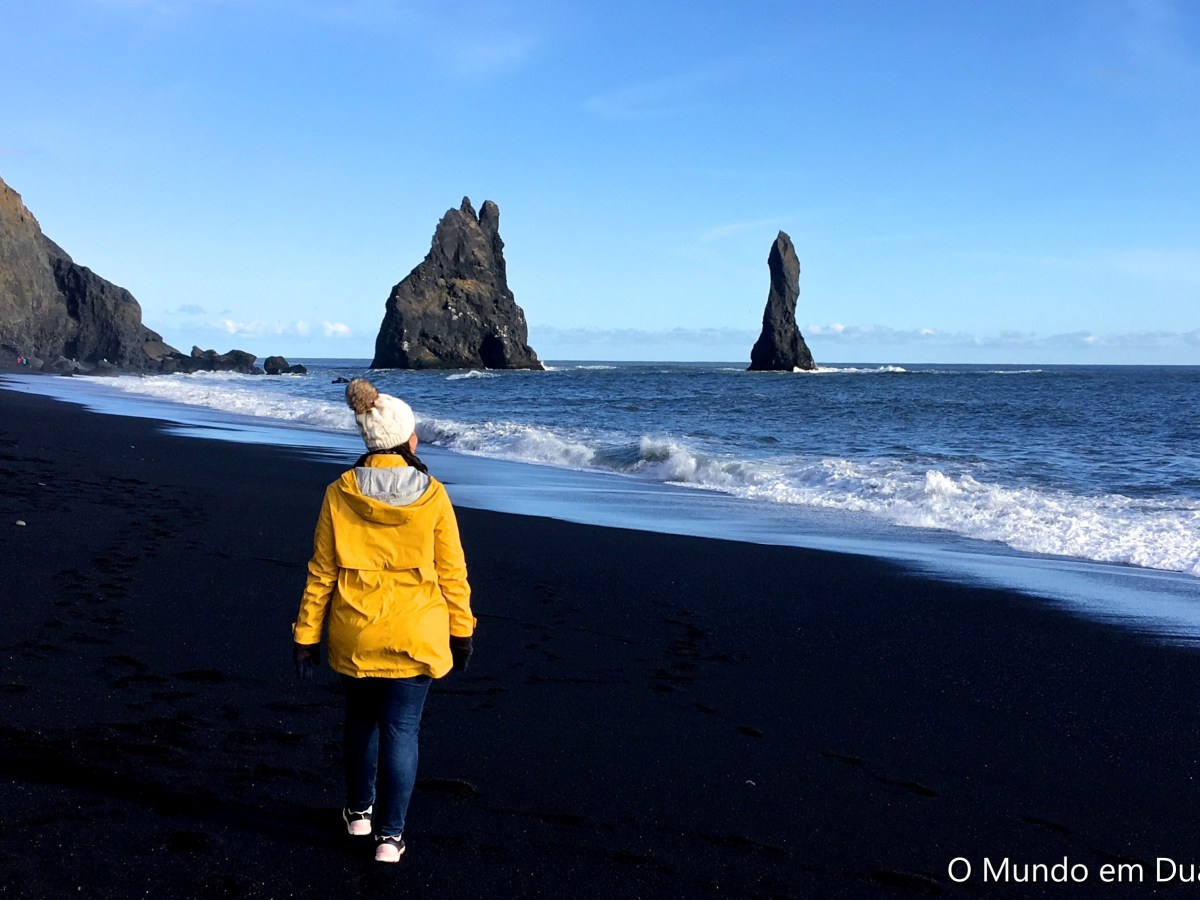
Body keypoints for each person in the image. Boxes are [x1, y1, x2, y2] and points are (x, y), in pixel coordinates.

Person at [292, 378, 475, 863]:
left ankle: (357, 814)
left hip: (356, 629)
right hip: (417, 632)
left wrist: (306, 635)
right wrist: (463, 630)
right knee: (401, 731)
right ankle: (390, 838)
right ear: (406, 439)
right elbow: (452, 571)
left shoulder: (339, 492)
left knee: (360, 723)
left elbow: (322, 570)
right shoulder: (433, 495)